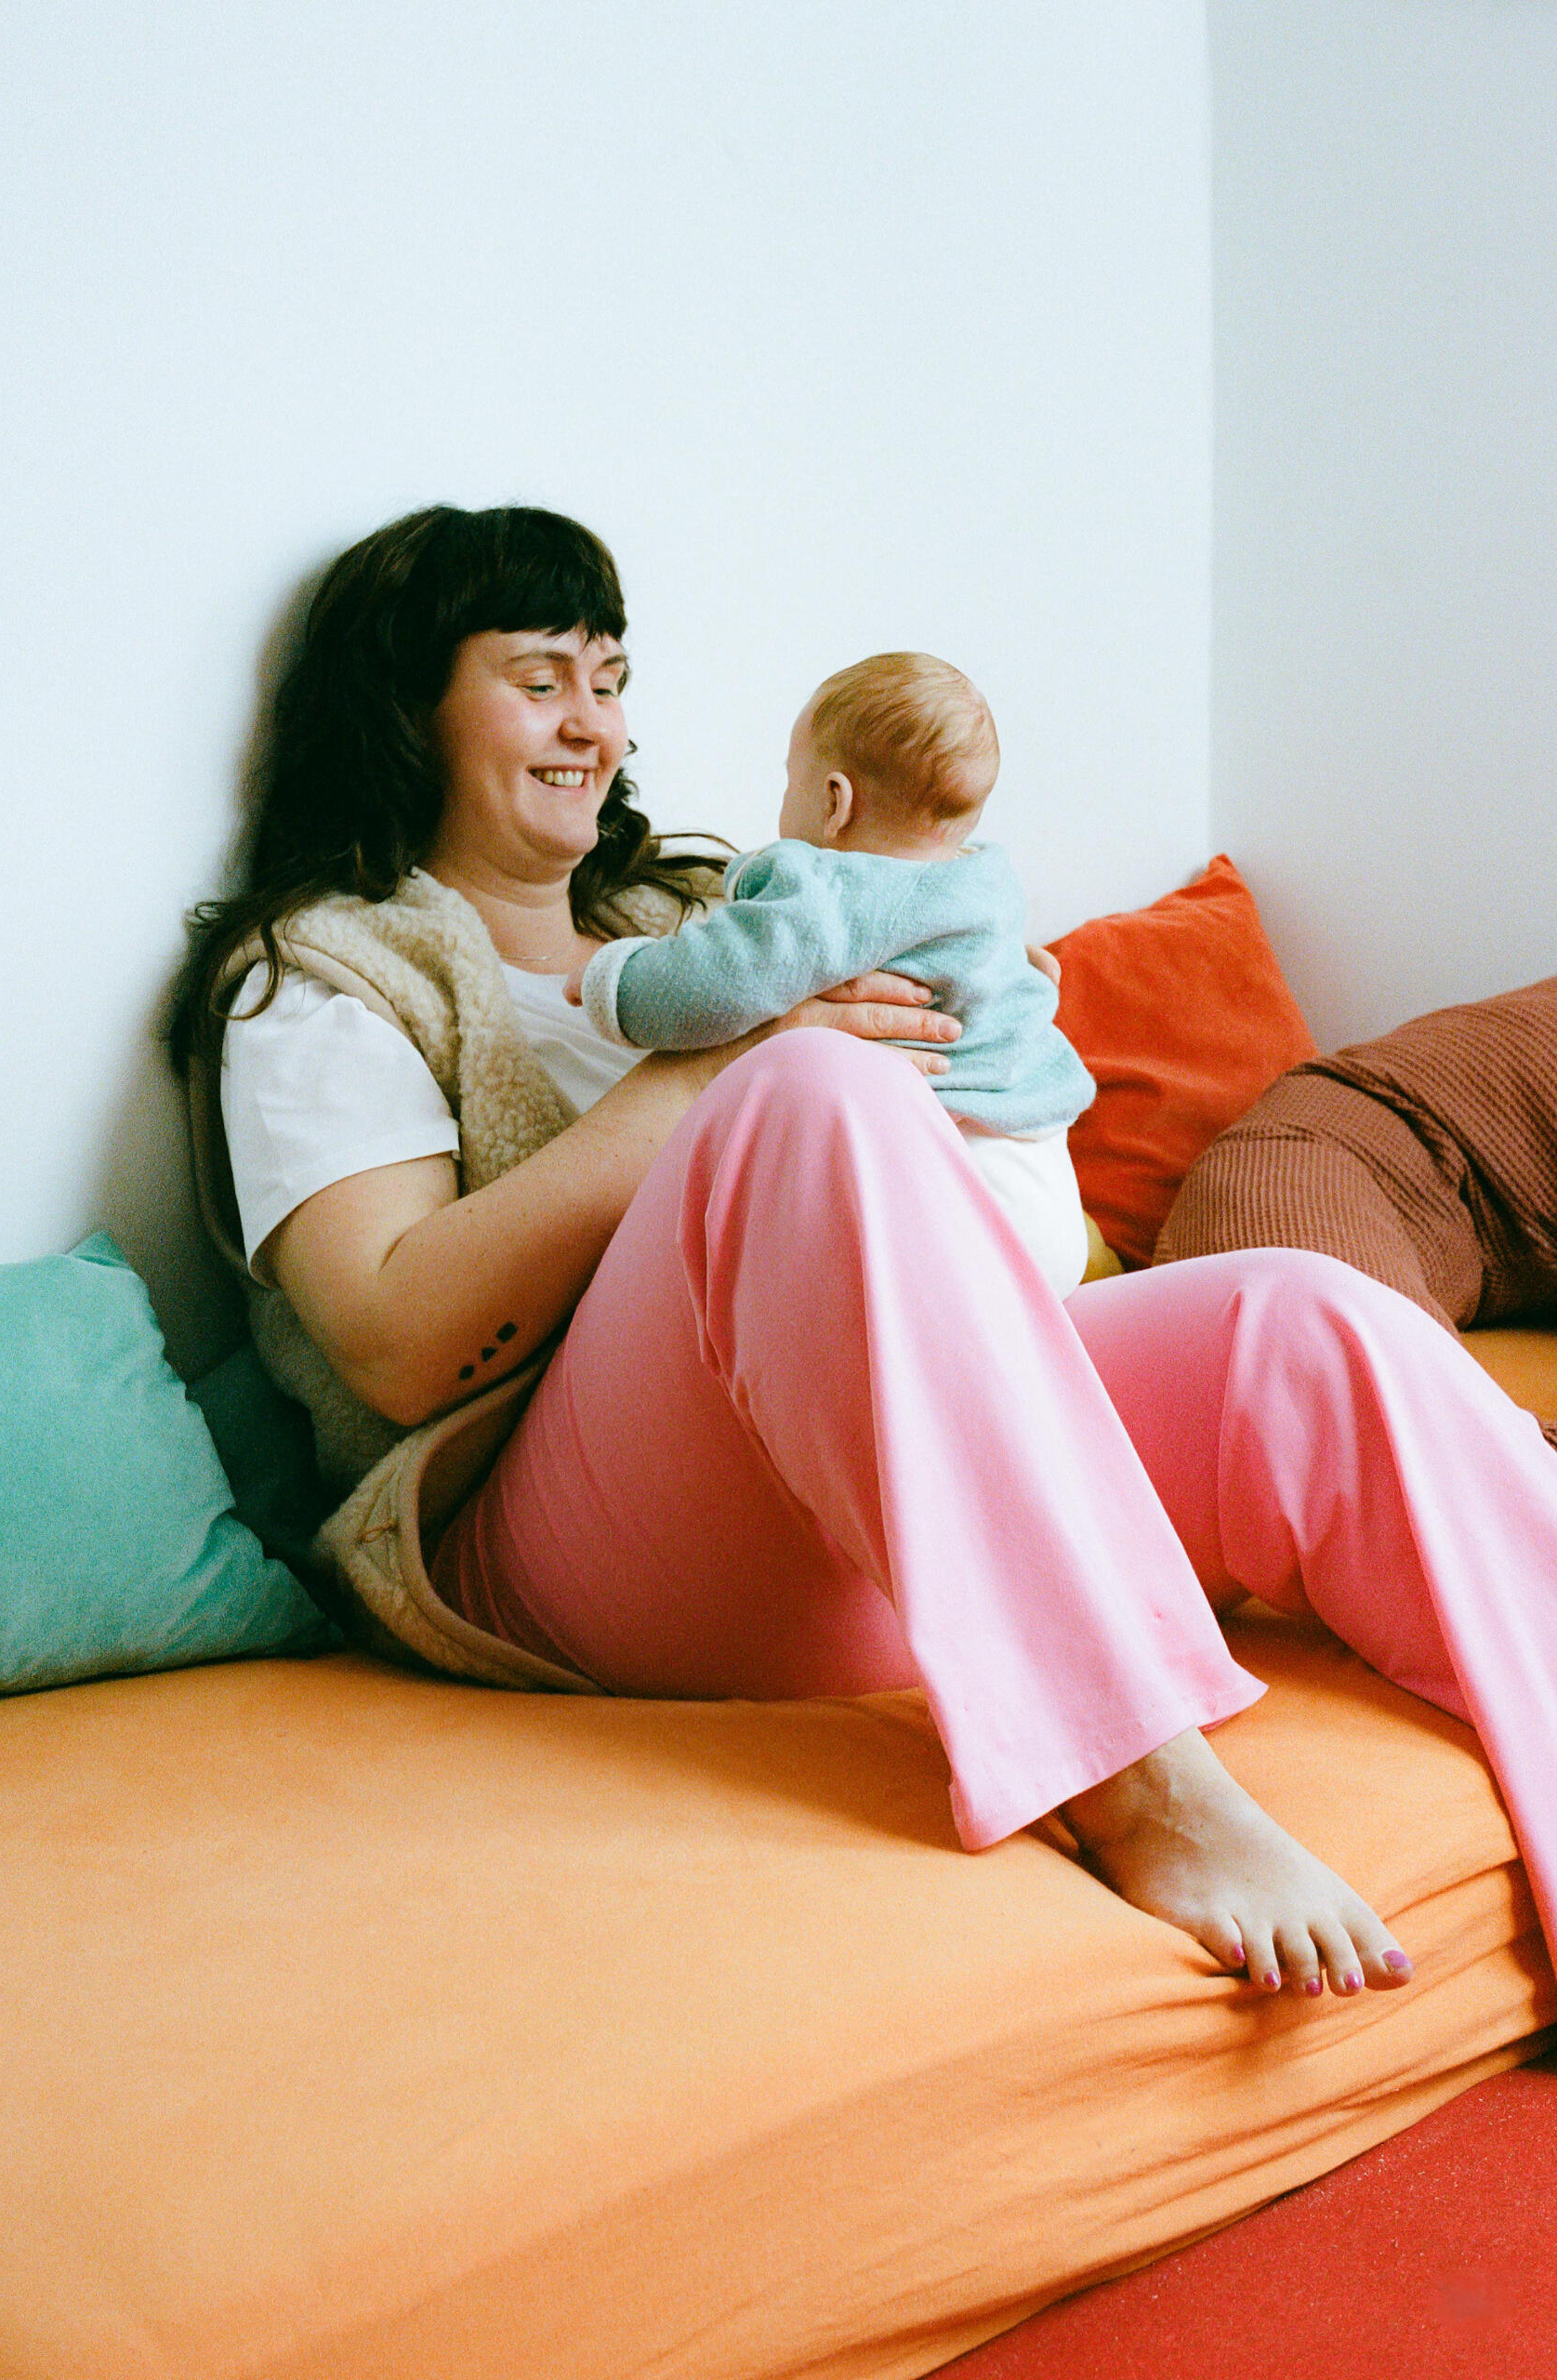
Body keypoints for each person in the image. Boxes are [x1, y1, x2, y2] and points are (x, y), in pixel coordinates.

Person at [172, 502, 1557, 2009]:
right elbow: (385, 1334)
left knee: (1288, 1317)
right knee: (808, 1093)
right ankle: (1141, 1785)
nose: (593, 724)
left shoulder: (704, 916)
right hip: (542, 1541)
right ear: (404, 707)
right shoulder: (320, 975)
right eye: (539, 678)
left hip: (853, 1496)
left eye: (609, 678)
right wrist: (694, 1093)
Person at [567, 652, 1094, 1297]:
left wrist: (612, 981)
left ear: (834, 801)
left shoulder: (826, 894)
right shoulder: (988, 884)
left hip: (954, 1190)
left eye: (791, 780)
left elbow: (717, 981)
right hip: (1045, 1188)